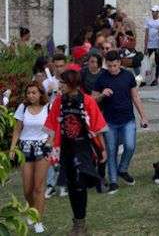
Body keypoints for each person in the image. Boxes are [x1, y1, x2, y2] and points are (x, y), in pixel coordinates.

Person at [44, 70, 108, 235]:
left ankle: (80, 222)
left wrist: (103, 150)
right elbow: (52, 125)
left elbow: (97, 126)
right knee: (72, 185)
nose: (60, 86)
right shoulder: (59, 102)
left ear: (72, 83)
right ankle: (78, 220)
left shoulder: (87, 101)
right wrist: (48, 145)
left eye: (63, 83)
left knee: (79, 183)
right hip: (66, 148)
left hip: (84, 148)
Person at [92, 51, 149, 194]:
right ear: (106, 64)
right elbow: (92, 100)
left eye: (115, 65)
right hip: (110, 122)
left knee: (130, 146)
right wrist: (101, 94)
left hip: (128, 119)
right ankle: (113, 182)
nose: (112, 69)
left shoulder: (128, 76)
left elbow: (135, 97)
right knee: (111, 151)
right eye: (109, 66)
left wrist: (143, 116)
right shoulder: (101, 78)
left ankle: (122, 169)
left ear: (120, 63)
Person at [9, 82, 51, 233]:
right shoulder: (23, 108)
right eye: (28, 93)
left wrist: (49, 143)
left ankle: (38, 220)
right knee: (27, 189)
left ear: (40, 93)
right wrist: (13, 148)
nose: (31, 95)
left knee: (38, 188)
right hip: (25, 148)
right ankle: (32, 209)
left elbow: (53, 128)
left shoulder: (48, 107)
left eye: (34, 92)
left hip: (42, 147)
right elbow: (17, 129)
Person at [144, 5, 159, 86]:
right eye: (152, 11)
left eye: (155, 11)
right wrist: (145, 46)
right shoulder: (148, 20)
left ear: (158, 12)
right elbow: (146, 33)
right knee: (147, 62)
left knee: (157, 62)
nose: (153, 13)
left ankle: (156, 79)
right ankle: (145, 79)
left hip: (157, 45)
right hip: (150, 44)